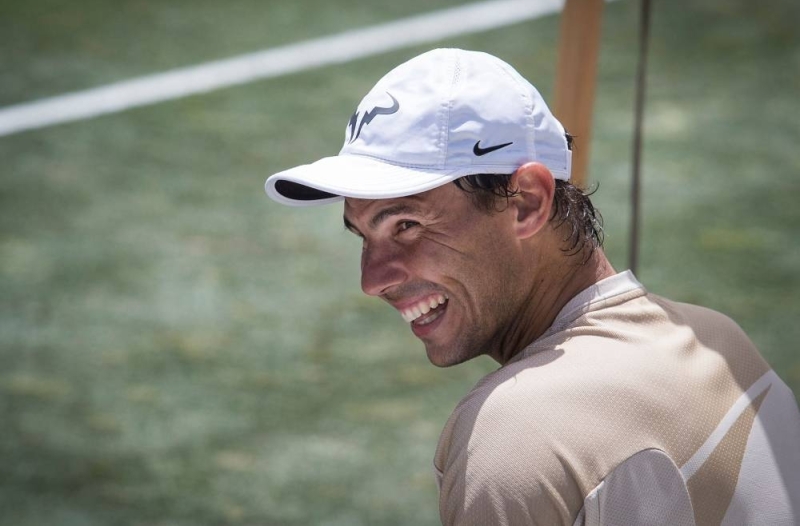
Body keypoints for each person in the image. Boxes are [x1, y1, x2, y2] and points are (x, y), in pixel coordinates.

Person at [264, 48, 800, 525]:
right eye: (363, 236)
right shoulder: (722, 341)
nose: (372, 279)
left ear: (526, 203)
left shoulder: (515, 441)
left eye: (407, 225)